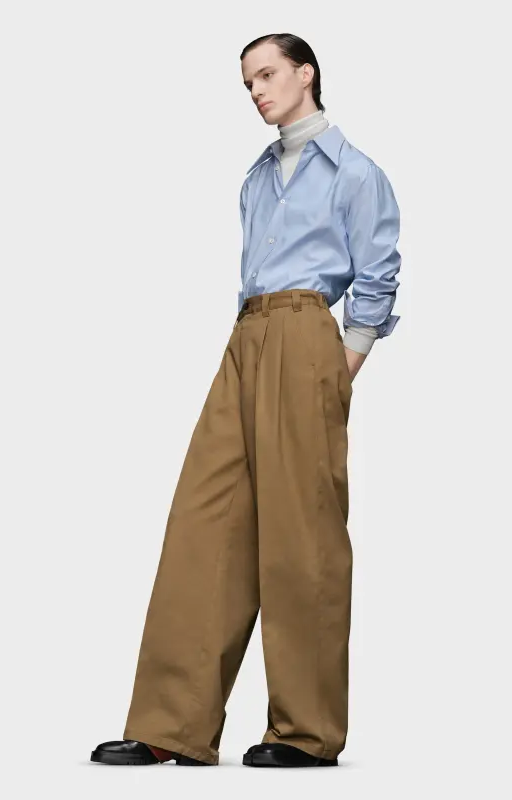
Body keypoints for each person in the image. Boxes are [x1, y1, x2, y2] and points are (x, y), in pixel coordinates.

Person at [90, 31, 401, 769]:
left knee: (302, 536)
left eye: (266, 75)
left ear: (305, 74)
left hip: (305, 335)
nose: (256, 91)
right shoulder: (257, 176)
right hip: (245, 336)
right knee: (205, 521)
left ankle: (305, 733)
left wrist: (338, 366)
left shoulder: (356, 172)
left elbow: (378, 274)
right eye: (247, 82)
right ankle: (173, 725)